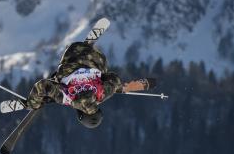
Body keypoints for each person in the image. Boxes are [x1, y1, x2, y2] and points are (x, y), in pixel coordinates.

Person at [25, 42, 153, 129]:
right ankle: (58, 79)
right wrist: (34, 102)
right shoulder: (66, 99)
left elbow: (114, 78)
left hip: (95, 55)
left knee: (102, 73)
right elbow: (42, 85)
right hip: (71, 54)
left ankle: (85, 61)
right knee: (58, 79)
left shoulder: (102, 94)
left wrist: (112, 86)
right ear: (79, 115)